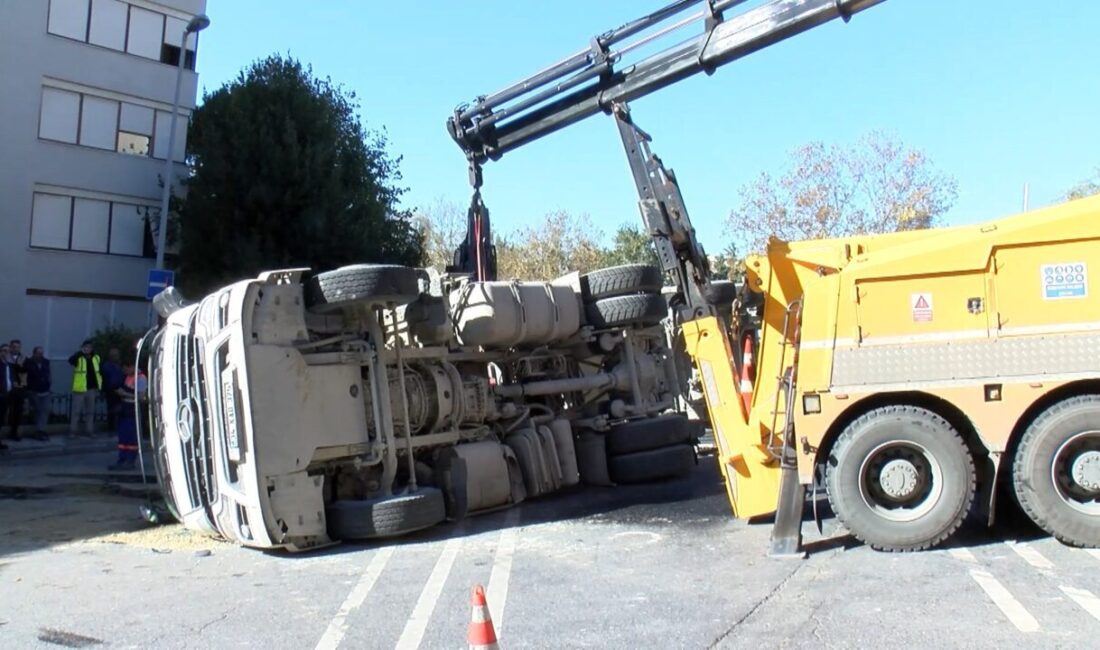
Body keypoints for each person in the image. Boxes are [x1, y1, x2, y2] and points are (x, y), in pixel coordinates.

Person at [109, 360, 146, 471]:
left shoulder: (141, 378)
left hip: (133, 409)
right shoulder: (128, 376)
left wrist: (124, 393)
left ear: (132, 367)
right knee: (123, 437)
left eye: (126, 368)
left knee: (131, 437)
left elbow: (141, 397)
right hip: (125, 408)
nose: (124, 371)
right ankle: (122, 460)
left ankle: (130, 461)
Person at [68, 340, 101, 438]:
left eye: (89, 347)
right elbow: (71, 361)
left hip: (91, 389)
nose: (88, 349)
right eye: (86, 347)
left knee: (90, 412)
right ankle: (73, 431)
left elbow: (98, 372)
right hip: (80, 389)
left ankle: (89, 431)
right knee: (76, 412)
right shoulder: (79, 357)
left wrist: (99, 386)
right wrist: (80, 353)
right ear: (83, 347)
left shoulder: (96, 357)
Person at [24, 346, 52, 441]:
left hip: (45, 390)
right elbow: (25, 376)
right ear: (34, 353)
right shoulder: (28, 362)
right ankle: (39, 431)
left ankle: (41, 431)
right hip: (34, 390)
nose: (41, 355)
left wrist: (48, 384)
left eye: (42, 353)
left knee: (45, 411)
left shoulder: (46, 362)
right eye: (39, 353)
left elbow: (48, 374)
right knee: (38, 411)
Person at [0, 344, 22, 445]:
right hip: (1, 394)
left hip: (9, 394)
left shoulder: (10, 365)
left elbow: (14, 377)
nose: (6, 353)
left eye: (7, 351)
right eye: (4, 351)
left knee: (3, 418)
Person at [101, 348, 124, 430]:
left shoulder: (120, 365)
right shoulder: (107, 366)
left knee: (120, 408)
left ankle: (119, 425)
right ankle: (111, 426)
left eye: (117, 355)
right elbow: (106, 378)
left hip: (120, 388)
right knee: (111, 408)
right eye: (114, 355)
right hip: (110, 389)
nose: (116, 357)